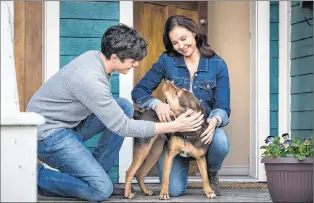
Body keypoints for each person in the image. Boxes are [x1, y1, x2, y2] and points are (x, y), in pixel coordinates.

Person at [27, 24, 205, 201]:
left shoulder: (94, 58)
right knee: (101, 190)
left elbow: (115, 115)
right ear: (114, 57)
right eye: (132, 60)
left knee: (123, 106)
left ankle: (96, 173)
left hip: (69, 124)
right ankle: (33, 178)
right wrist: (173, 126)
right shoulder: (90, 80)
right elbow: (123, 126)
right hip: (48, 135)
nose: (135, 64)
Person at [131, 15, 231, 197]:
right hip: (175, 134)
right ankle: (179, 160)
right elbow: (138, 92)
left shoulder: (217, 65)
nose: (181, 46)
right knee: (174, 190)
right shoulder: (167, 60)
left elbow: (223, 107)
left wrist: (215, 120)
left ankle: (211, 171)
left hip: (201, 131)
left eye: (184, 39)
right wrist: (156, 104)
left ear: (194, 32)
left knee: (221, 140)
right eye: (175, 42)